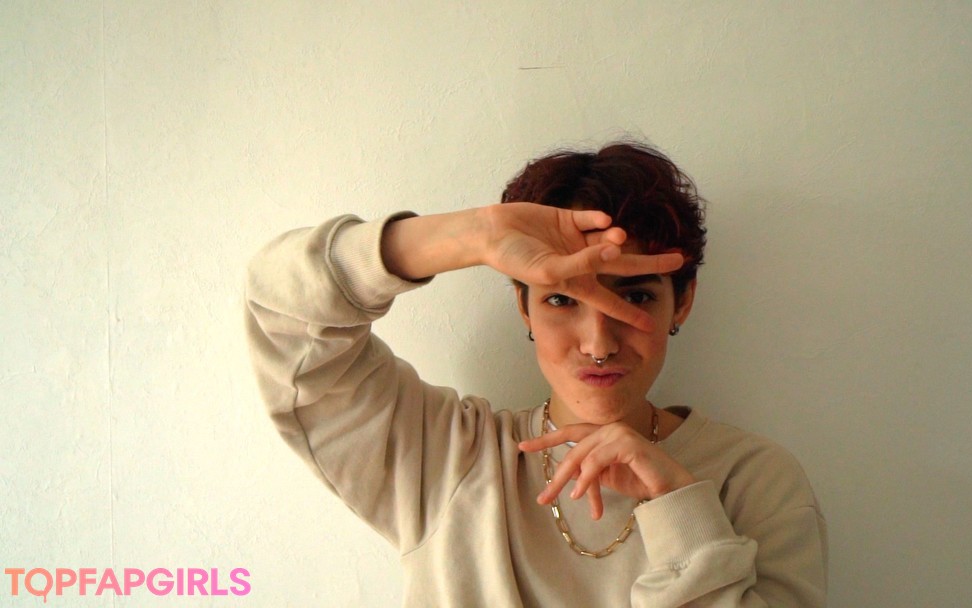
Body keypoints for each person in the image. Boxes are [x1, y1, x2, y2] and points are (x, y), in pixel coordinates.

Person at [245, 142, 827, 606]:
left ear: (684, 301)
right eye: (561, 299)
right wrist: (473, 236)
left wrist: (679, 506)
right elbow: (282, 309)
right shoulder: (447, 458)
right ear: (523, 307)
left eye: (636, 297)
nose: (599, 344)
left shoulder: (755, 482)